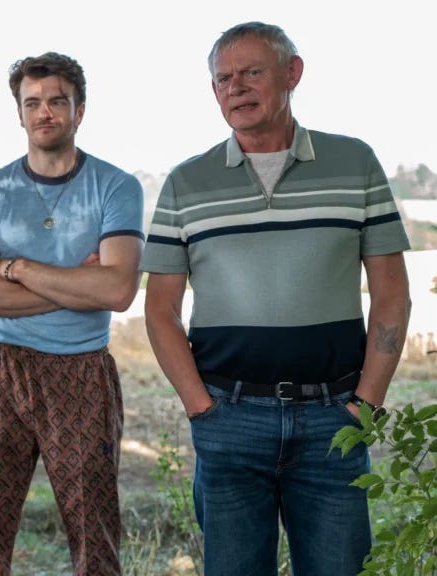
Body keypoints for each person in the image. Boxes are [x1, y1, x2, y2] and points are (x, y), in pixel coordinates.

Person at [141, 22, 412, 576]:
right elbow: (159, 309)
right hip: (229, 420)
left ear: (293, 73)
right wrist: (201, 409)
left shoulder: (354, 162)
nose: (235, 87)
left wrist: (366, 405)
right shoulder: (186, 183)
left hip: (334, 421)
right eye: (223, 79)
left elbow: (392, 293)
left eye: (251, 72)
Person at [0, 52, 145, 575]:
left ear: (79, 111)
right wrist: (77, 285)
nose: (45, 112)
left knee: (94, 537)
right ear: (18, 113)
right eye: (32, 102)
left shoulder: (115, 186)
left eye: (58, 101)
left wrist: (15, 268)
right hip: (3, 367)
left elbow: (119, 289)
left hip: (81, 370)